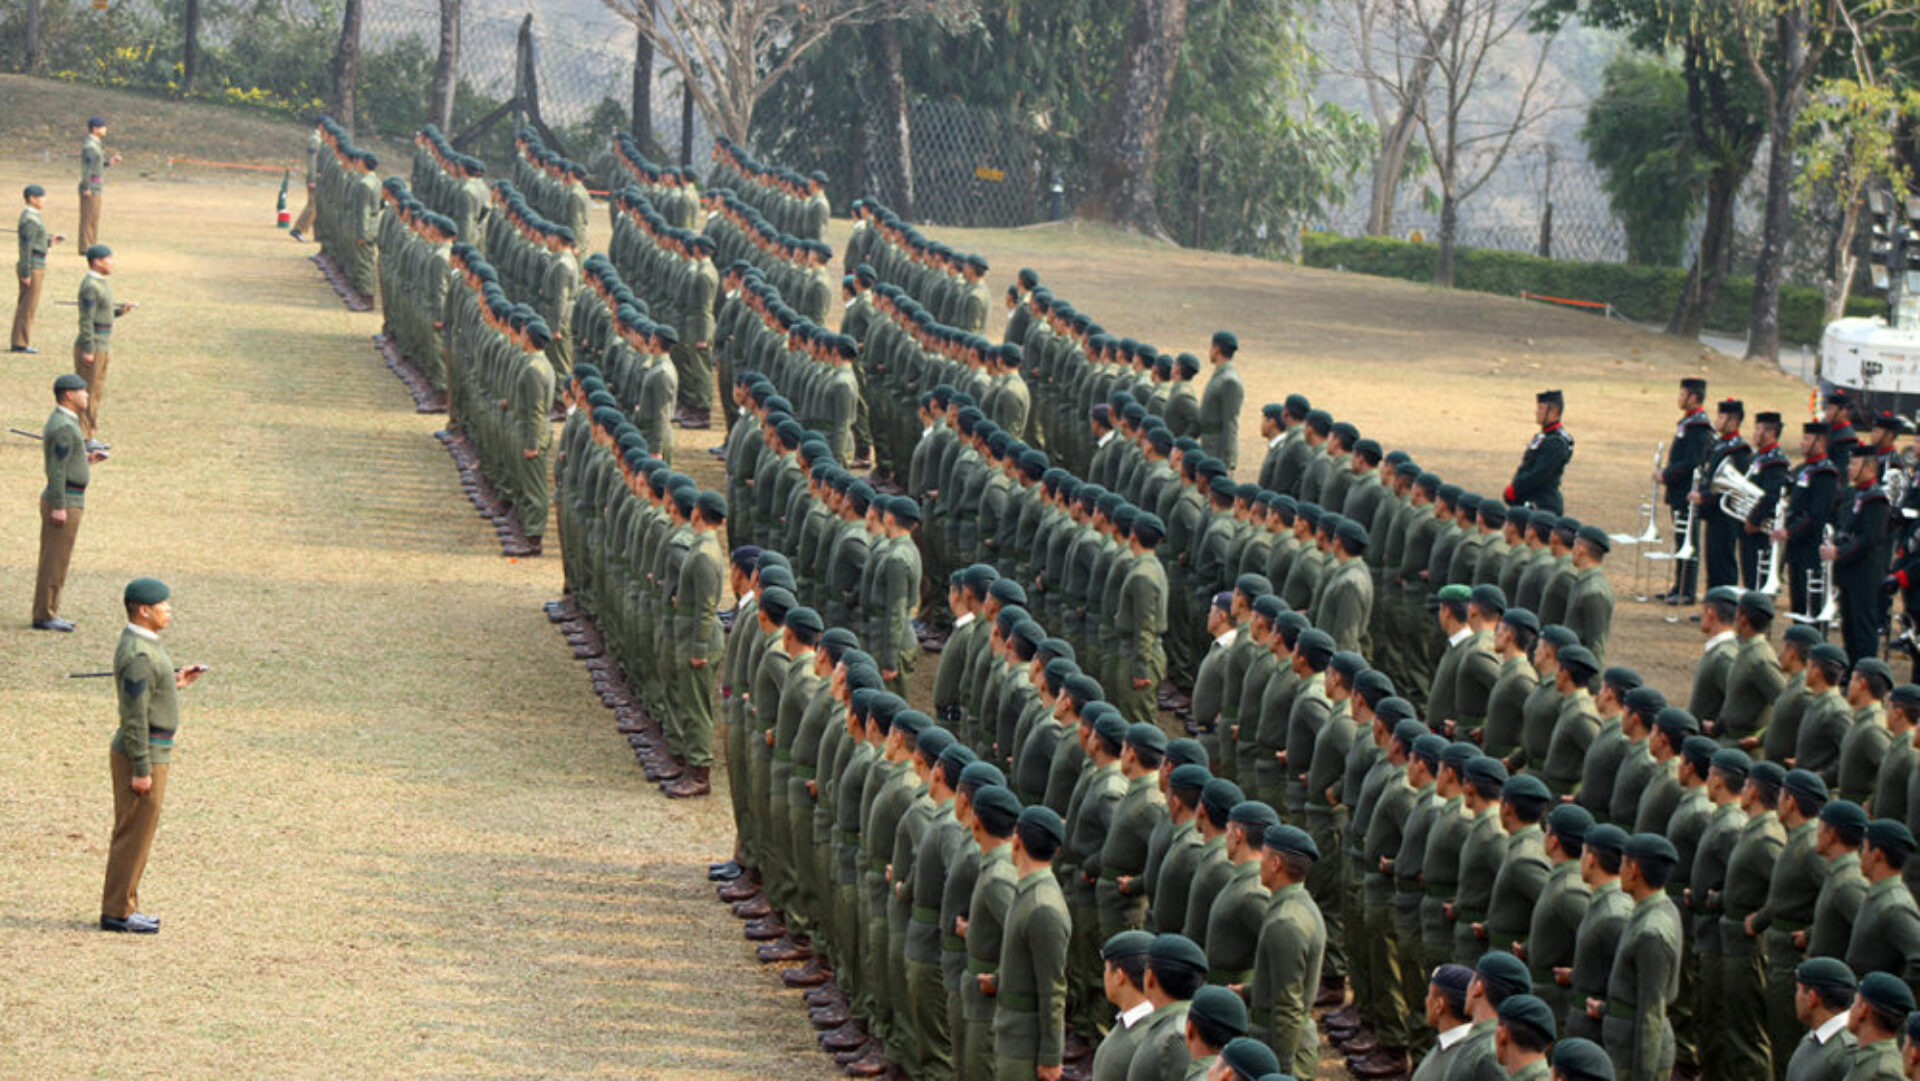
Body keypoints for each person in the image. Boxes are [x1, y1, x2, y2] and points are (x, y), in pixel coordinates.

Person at [102, 577, 209, 934]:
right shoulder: (138, 654)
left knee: (138, 833)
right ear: (144, 611)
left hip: (150, 751)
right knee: (133, 834)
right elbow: (134, 717)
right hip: (144, 753)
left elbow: (149, 691)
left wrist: (175, 681)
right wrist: (141, 768)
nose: (169, 611)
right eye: (163, 606)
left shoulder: (144, 644)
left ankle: (126, 904)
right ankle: (118, 911)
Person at [34, 373, 105, 632]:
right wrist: (59, 505)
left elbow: (67, 462)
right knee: (55, 560)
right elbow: (56, 469)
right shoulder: (65, 426)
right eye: (82, 391)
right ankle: (45, 613)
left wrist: (86, 461)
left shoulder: (67, 421)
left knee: (57, 559)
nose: (86, 395)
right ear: (68, 395)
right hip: (65, 499)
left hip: (70, 496)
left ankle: (48, 610)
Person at [1656, 378, 1716, 606]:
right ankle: (1678, 584)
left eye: (1683, 394)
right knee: (1681, 538)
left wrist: (1666, 474)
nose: (1679, 398)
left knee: (1688, 540)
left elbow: (1692, 462)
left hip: (1687, 490)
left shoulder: (1699, 427)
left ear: (1694, 397)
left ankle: (1687, 589)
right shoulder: (1689, 422)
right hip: (1679, 490)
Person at [74, 243, 133, 449]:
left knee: (95, 390)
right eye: (109, 259)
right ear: (97, 262)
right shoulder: (91, 285)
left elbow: (101, 314)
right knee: (87, 391)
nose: (112, 263)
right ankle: (84, 435)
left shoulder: (99, 283)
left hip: (102, 345)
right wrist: (88, 349)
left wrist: (120, 312)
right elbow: (86, 320)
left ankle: (89, 433)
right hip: (94, 346)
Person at [1785, 957, 1859, 1081]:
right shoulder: (1812, 1039)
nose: (1796, 997)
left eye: (1798, 990)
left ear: (1812, 998)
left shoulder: (1848, 1053)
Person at [13, 183, 63, 352]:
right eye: (41, 197)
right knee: (27, 306)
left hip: (37, 263)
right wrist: (26, 272)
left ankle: (21, 340)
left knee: (28, 305)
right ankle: (20, 342)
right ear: (32, 198)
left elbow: (35, 243)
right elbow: (26, 248)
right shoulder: (30, 219)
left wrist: (50, 242)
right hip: (32, 266)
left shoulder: (34, 217)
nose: (44, 200)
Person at [1506, 390, 1572, 514]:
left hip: (1541, 503)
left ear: (1554, 411)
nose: (1537, 412)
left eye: (1541, 408)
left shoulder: (1555, 443)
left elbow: (1538, 475)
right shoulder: (1545, 436)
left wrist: (1516, 489)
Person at [1198, 332, 1244, 472]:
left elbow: (1230, 422)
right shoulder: (1220, 375)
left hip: (1217, 450)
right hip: (1209, 446)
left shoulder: (1229, 381)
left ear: (1217, 349)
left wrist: (1228, 461)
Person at [77, 116, 119, 253]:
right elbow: (87, 169)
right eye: (103, 127)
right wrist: (86, 187)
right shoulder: (90, 146)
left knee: (93, 218)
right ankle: (86, 247)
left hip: (96, 185)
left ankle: (91, 245)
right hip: (91, 186)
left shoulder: (96, 144)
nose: (105, 129)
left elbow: (96, 166)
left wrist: (109, 163)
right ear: (95, 129)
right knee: (88, 218)